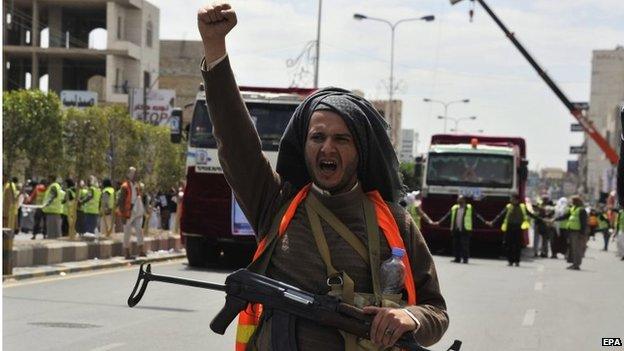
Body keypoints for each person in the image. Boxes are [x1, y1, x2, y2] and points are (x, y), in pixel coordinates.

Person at [196, 4, 448, 350]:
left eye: (341, 139)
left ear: (359, 151)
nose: (327, 147)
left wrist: (410, 317)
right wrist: (215, 48)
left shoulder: (395, 223)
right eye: (317, 137)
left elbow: (436, 311)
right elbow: (236, 141)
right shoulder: (277, 205)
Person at [434, 195, 486, 264]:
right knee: (456, 244)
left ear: (464, 200)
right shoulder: (454, 208)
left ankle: (465, 259)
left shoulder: (469, 208)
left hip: (465, 229)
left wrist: (484, 222)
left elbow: (477, 216)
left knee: (465, 245)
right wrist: (439, 222)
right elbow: (447, 216)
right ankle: (457, 258)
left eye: (460, 199)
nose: (458, 200)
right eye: (458, 199)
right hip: (456, 229)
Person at [488, 194, 530, 267]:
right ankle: (510, 261)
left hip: (518, 228)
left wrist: (543, 220)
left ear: (517, 200)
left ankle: (517, 261)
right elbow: (501, 215)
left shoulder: (522, 207)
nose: (511, 200)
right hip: (509, 228)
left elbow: (531, 214)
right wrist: (493, 222)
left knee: (517, 246)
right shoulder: (508, 207)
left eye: (512, 199)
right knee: (509, 245)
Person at [550, 195, 588, 270]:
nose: (571, 202)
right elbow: (565, 216)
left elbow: (583, 223)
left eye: (573, 201)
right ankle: (574, 263)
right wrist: (555, 219)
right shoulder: (573, 209)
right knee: (573, 248)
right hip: (571, 231)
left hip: (577, 232)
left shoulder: (581, 210)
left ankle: (576, 264)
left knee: (577, 249)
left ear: (576, 201)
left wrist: (582, 234)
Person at [116, 167, 146, 259]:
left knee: (139, 231)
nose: (135, 175)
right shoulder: (124, 186)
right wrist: (122, 214)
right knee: (127, 233)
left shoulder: (137, 186)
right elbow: (121, 201)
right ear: (129, 174)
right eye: (133, 173)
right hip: (128, 212)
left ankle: (141, 251)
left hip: (137, 212)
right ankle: (127, 253)